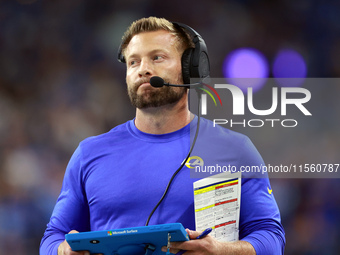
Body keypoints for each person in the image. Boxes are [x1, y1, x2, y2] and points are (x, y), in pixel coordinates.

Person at [40, 17, 285, 255]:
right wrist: (62, 250)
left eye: (157, 58)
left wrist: (221, 251)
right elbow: (53, 237)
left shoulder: (234, 149)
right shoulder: (89, 154)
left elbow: (271, 238)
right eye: (133, 62)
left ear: (190, 69)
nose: (143, 69)